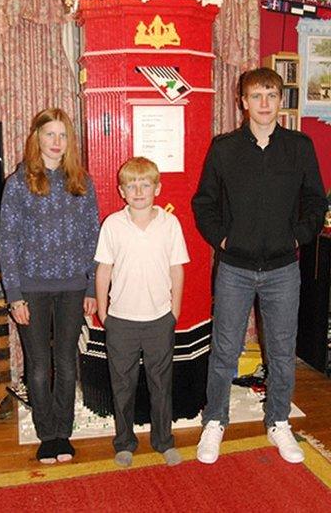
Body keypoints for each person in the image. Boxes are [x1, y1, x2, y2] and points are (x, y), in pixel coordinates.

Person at [192, 67, 327, 464]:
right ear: (243, 101)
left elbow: (316, 202)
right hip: (234, 267)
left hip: (283, 269)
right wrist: (223, 239)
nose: (264, 104)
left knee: (282, 353)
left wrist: (296, 237)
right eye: (256, 96)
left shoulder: (300, 147)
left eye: (271, 95)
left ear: (280, 100)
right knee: (225, 350)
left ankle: (278, 421)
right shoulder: (224, 148)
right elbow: (204, 203)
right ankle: (215, 421)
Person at [0, 107, 99, 464]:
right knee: (39, 365)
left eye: (62, 135)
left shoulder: (82, 182)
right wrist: (14, 295)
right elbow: (8, 241)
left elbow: (93, 239)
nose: (56, 142)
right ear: (36, 138)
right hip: (32, 290)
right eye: (49, 134)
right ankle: (47, 434)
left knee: (67, 362)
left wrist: (91, 289)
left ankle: (64, 433)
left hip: (74, 287)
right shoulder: (19, 183)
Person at [95, 157, 187, 468]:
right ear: (122, 191)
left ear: (157, 188)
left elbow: (177, 268)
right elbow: (103, 270)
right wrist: (104, 314)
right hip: (121, 321)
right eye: (131, 185)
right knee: (123, 385)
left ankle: (164, 441)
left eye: (144, 184)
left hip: (159, 319)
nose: (138, 190)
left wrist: (174, 310)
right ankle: (124, 443)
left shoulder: (170, 224)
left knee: (161, 384)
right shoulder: (113, 225)